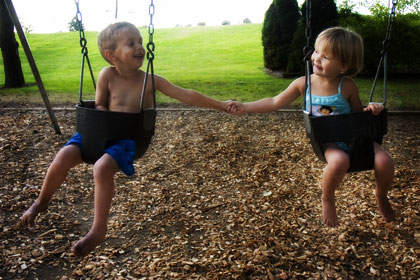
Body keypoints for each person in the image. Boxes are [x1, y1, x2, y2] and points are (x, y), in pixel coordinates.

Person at [20, 21, 229, 257]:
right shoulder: (106, 75)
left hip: (128, 139)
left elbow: (187, 95)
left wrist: (221, 105)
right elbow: (100, 103)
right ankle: (42, 201)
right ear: (112, 55)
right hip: (98, 133)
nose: (139, 46)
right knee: (63, 156)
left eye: (140, 41)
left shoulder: (150, 80)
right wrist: (100, 113)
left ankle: (98, 230)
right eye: (131, 43)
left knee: (101, 169)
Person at [228, 27, 395, 227]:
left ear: (343, 65)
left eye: (325, 57)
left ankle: (381, 194)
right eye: (316, 51)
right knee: (339, 161)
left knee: (385, 162)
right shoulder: (303, 84)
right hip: (328, 140)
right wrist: (244, 107)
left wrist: (373, 110)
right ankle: (328, 199)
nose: (316, 58)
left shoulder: (348, 86)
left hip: (355, 138)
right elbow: (274, 101)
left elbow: (358, 116)